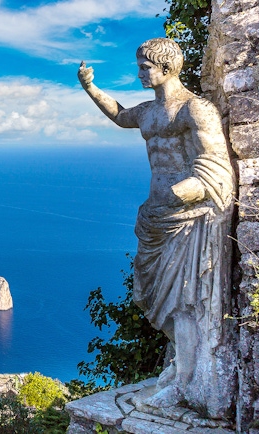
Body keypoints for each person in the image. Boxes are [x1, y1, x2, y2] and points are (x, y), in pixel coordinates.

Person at [78, 38, 235, 417]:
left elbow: (217, 165)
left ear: (167, 68)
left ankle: (185, 383)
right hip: (155, 217)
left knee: (183, 300)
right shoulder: (148, 112)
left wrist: (185, 192)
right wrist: (90, 88)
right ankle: (181, 368)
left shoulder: (196, 110)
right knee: (156, 296)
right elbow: (119, 115)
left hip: (186, 217)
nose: (139, 73)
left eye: (145, 67)